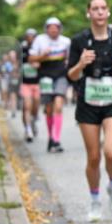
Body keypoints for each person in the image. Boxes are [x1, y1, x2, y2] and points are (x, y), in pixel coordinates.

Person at [67, 0, 112, 221]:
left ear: (108, 12)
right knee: (94, 157)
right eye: (95, 8)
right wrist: (81, 64)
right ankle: (95, 200)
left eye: (103, 8)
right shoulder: (79, 41)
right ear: (88, 13)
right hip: (88, 104)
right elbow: (71, 75)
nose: (99, 12)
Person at [30, 17, 71, 152]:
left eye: (56, 28)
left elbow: (71, 59)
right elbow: (31, 59)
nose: (53, 30)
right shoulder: (39, 40)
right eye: (50, 28)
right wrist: (42, 56)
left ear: (60, 29)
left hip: (60, 76)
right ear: (46, 29)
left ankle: (56, 139)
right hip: (45, 76)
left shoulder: (66, 42)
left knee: (58, 105)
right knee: (49, 108)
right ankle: (50, 137)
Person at [19, 28, 41, 142]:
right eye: (28, 36)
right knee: (27, 106)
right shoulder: (22, 49)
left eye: (32, 36)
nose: (30, 38)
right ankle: (28, 130)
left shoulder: (39, 48)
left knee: (35, 106)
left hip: (37, 83)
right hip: (25, 83)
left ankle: (33, 120)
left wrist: (39, 65)